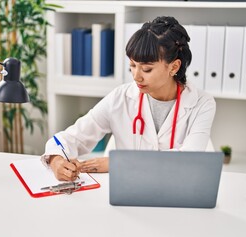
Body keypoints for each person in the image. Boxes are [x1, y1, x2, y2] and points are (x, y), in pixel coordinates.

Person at [42, 16, 216, 181]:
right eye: (132, 66)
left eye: (147, 69)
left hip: (178, 193)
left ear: (174, 66)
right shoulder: (121, 97)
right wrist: (56, 160)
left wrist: (118, 163)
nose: (136, 76)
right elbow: (73, 137)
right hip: (127, 195)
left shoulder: (202, 104)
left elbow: (189, 159)